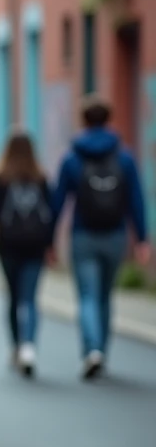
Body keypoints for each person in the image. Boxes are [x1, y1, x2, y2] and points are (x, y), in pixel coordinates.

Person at [50, 96, 150, 379]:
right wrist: (142, 239)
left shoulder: (72, 157)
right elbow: (136, 200)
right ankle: (102, 351)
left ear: (84, 121)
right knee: (106, 296)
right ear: (108, 120)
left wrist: (49, 239)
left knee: (87, 297)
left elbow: (59, 200)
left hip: (83, 235)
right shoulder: (125, 157)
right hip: (115, 236)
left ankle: (92, 350)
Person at [0, 131, 53, 377]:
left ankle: (15, 346)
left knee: (13, 298)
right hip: (35, 247)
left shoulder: (0, 177)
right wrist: (50, 244)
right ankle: (29, 347)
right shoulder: (41, 177)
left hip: (8, 246)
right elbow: (51, 214)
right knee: (31, 298)